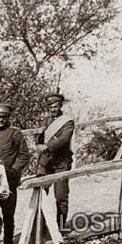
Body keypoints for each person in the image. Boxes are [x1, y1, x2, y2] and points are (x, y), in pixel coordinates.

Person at [0, 103, 30, 244]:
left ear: (8, 118)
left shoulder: (15, 134)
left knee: (8, 213)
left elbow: (24, 156)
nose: (1, 120)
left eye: (4, 117)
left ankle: (8, 242)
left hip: (9, 179)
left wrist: (14, 170)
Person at [34, 92, 75, 231]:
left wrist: (46, 146)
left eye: (55, 106)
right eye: (50, 107)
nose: (53, 109)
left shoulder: (67, 122)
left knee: (61, 196)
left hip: (61, 163)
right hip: (46, 162)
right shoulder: (45, 121)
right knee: (40, 194)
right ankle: (41, 227)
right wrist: (38, 138)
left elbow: (63, 140)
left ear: (60, 106)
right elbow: (38, 139)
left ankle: (61, 227)